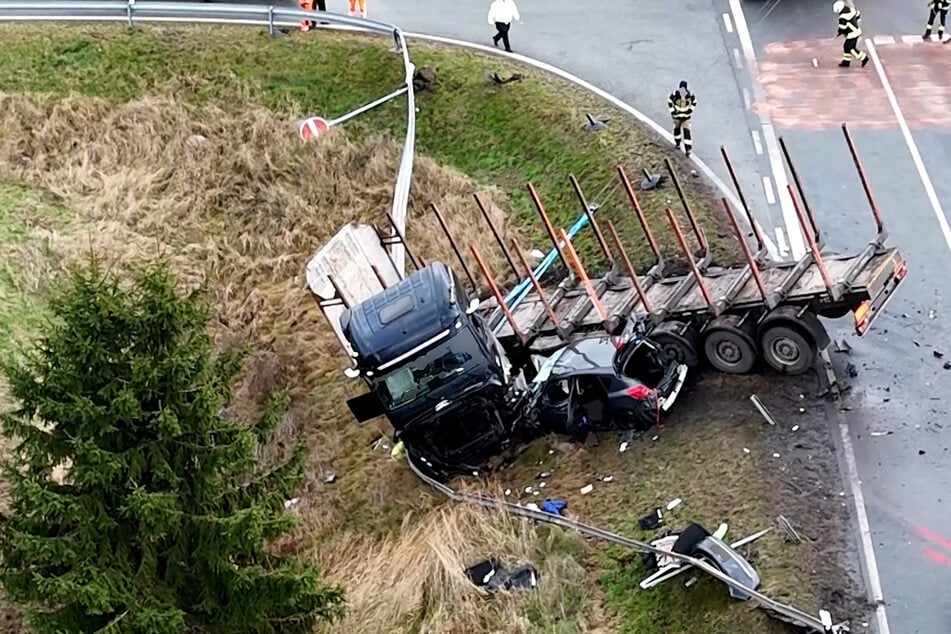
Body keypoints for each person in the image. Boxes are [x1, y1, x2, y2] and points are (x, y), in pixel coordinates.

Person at [834, 1, 869, 68]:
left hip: (852, 34)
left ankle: (864, 58)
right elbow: (858, 14)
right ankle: (846, 61)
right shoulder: (851, 11)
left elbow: (842, 28)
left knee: (850, 48)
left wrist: (839, 32)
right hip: (856, 31)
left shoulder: (842, 17)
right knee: (846, 47)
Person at [667, 80, 697, 157]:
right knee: (677, 131)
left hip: (685, 118)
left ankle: (688, 149)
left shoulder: (689, 95)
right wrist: (673, 111)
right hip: (678, 117)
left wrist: (690, 110)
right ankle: (678, 143)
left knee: (686, 132)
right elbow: (669, 101)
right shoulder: (675, 94)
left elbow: (694, 101)